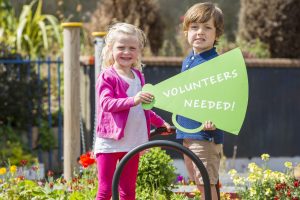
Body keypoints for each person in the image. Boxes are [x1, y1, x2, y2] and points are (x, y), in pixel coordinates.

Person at [94, 22, 171, 200]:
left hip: (132, 142)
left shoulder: (138, 77)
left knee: (128, 192)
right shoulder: (108, 76)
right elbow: (106, 103)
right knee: (105, 191)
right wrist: (133, 99)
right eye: (121, 47)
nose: (127, 52)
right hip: (110, 143)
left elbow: (143, 110)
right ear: (111, 49)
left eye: (132, 48)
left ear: (138, 51)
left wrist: (161, 123)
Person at [176, 2, 224, 200]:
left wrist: (216, 119)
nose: (200, 32)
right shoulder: (188, 60)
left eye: (207, 27)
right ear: (186, 31)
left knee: (206, 182)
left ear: (217, 33)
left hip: (205, 134)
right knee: (198, 181)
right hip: (187, 132)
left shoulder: (217, 63)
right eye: (194, 27)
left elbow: (225, 97)